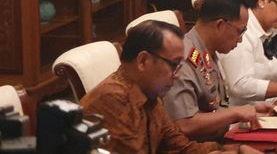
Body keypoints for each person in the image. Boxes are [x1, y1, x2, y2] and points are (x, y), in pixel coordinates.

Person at [80, 20, 260, 153]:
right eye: (173, 65)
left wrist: (238, 150)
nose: (178, 74)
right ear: (143, 61)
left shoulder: (150, 95)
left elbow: (181, 147)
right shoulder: (113, 98)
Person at [163, 0, 272, 140]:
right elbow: (184, 124)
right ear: (220, 25)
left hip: (219, 139)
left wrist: (247, 110)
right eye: (240, 31)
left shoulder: (206, 51)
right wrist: (235, 113)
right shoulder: (183, 58)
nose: (240, 40)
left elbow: (214, 108)